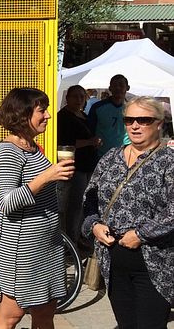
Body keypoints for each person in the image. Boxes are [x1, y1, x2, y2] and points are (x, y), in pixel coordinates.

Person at [81, 96, 174, 328]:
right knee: (125, 324)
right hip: (112, 262)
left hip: (155, 264)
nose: (135, 125)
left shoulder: (168, 161)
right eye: (129, 119)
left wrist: (140, 234)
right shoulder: (110, 158)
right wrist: (94, 225)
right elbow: (89, 198)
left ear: (159, 123)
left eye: (143, 120)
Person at [0, 87, 75, 329]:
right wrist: (46, 177)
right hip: (20, 249)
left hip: (46, 245)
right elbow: (5, 202)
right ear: (22, 115)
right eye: (42, 110)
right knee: (12, 313)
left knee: (46, 309)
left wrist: (53, 178)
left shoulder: (32, 147)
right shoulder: (7, 152)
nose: (48, 115)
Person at [56, 85, 101, 254]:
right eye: (75, 96)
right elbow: (65, 143)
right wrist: (90, 142)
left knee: (82, 205)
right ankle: (70, 242)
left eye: (82, 97)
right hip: (74, 167)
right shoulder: (64, 117)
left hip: (88, 165)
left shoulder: (83, 115)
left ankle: (77, 238)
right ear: (67, 98)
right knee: (73, 206)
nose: (79, 100)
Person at [87, 74, 130, 158]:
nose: (118, 88)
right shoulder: (97, 107)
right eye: (114, 85)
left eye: (121, 85)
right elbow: (89, 130)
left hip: (125, 155)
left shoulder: (132, 108)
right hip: (101, 156)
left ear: (127, 88)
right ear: (110, 88)